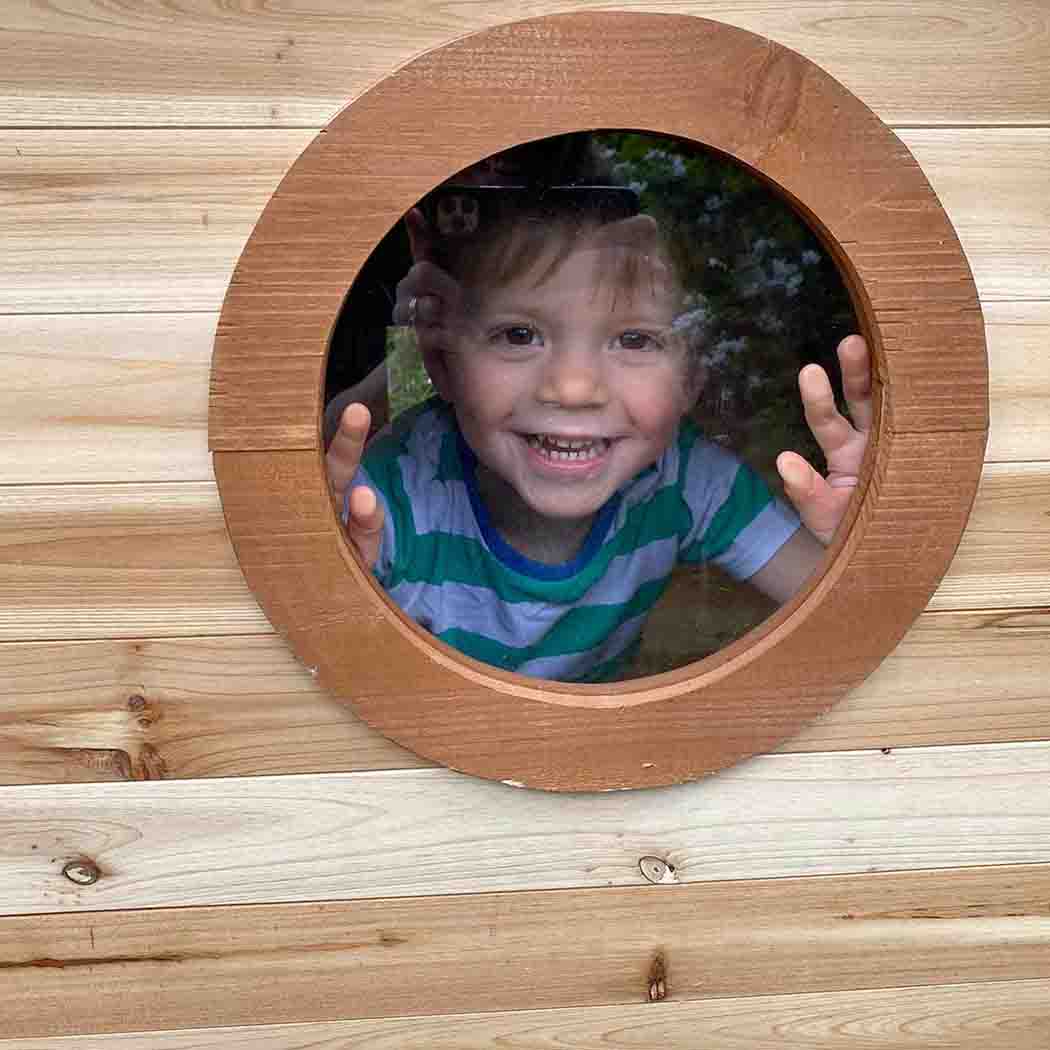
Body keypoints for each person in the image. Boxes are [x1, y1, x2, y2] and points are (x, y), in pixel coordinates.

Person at [327, 185, 872, 683]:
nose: (573, 388)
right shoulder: (389, 501)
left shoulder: (684, 480)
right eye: (519, 335)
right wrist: (320, 560)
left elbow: (854, 617)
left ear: (691, 381)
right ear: (445, 366)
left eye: (634, 340)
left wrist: (863, 536)